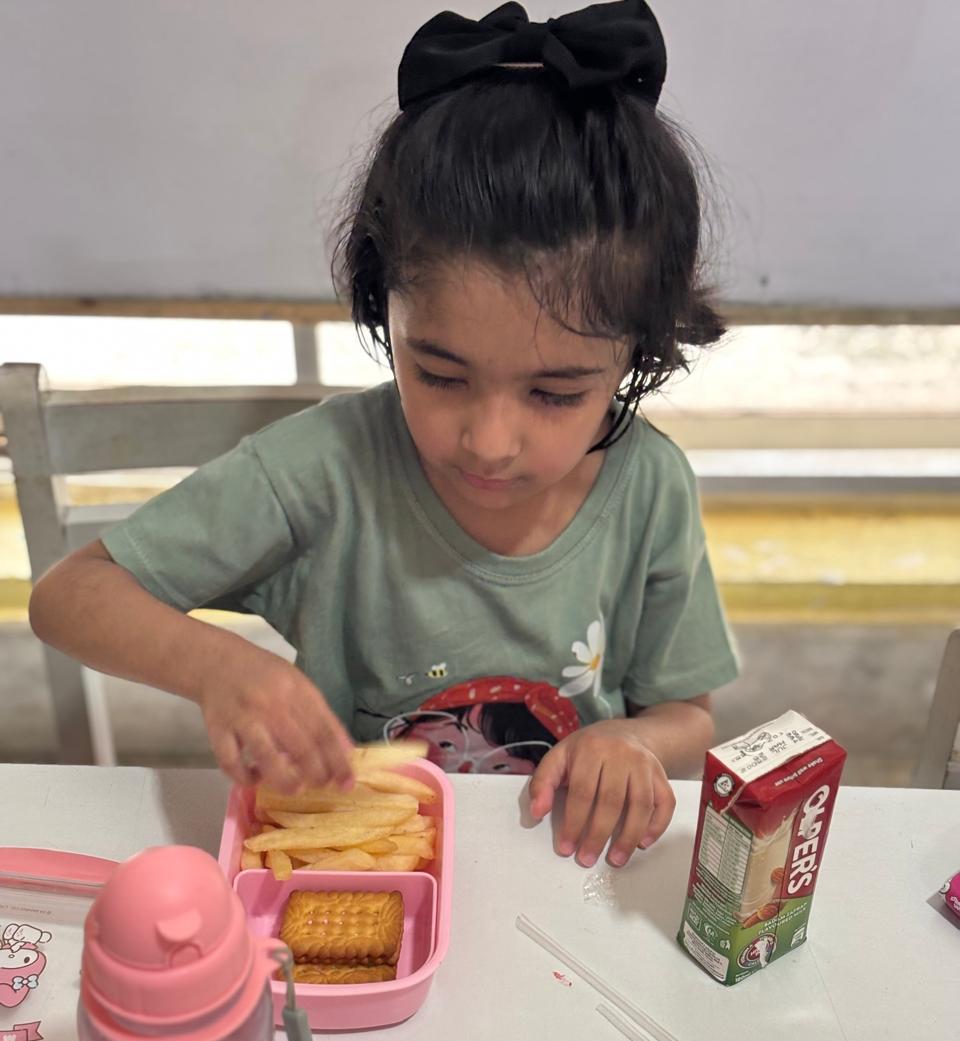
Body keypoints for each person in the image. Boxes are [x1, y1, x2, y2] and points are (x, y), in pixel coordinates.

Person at [29, 0, 739, 869]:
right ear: (385, 312)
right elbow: (70, 596)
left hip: (562, 864)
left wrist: (632, 742)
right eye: (439, 375)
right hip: (361, 863)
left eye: (555, 393)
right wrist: (221, 668)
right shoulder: (325, 469)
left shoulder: (650, 487)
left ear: (639, 353)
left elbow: (687, 714)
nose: (489, 441)